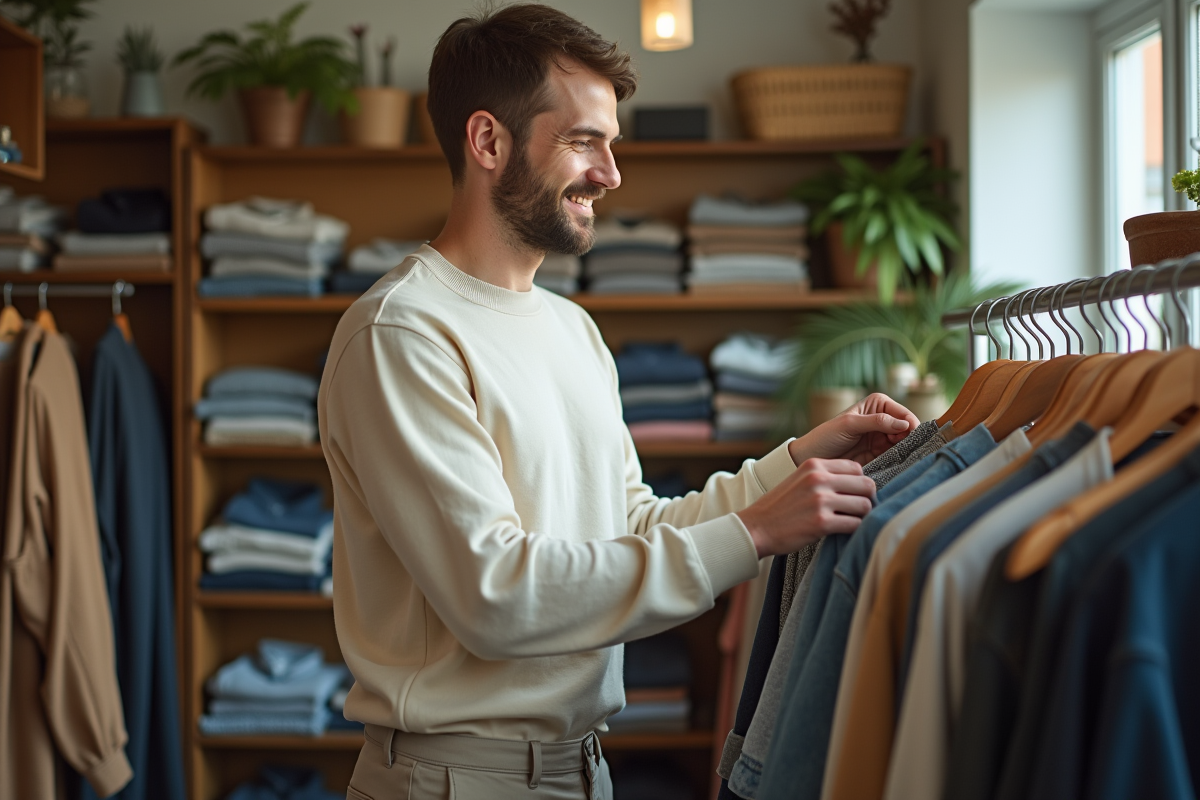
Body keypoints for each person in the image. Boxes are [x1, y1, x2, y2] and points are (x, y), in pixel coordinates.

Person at [317, 6, 917, 800]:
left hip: (585, 771)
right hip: (457, 781)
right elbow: (493, 594)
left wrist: (798, 462)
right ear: (488, 142)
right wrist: (756, 530)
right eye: (583, 141)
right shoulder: (402, 334)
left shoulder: (572, 328)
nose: (611, 173)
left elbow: (629, 526)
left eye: (611, 144)